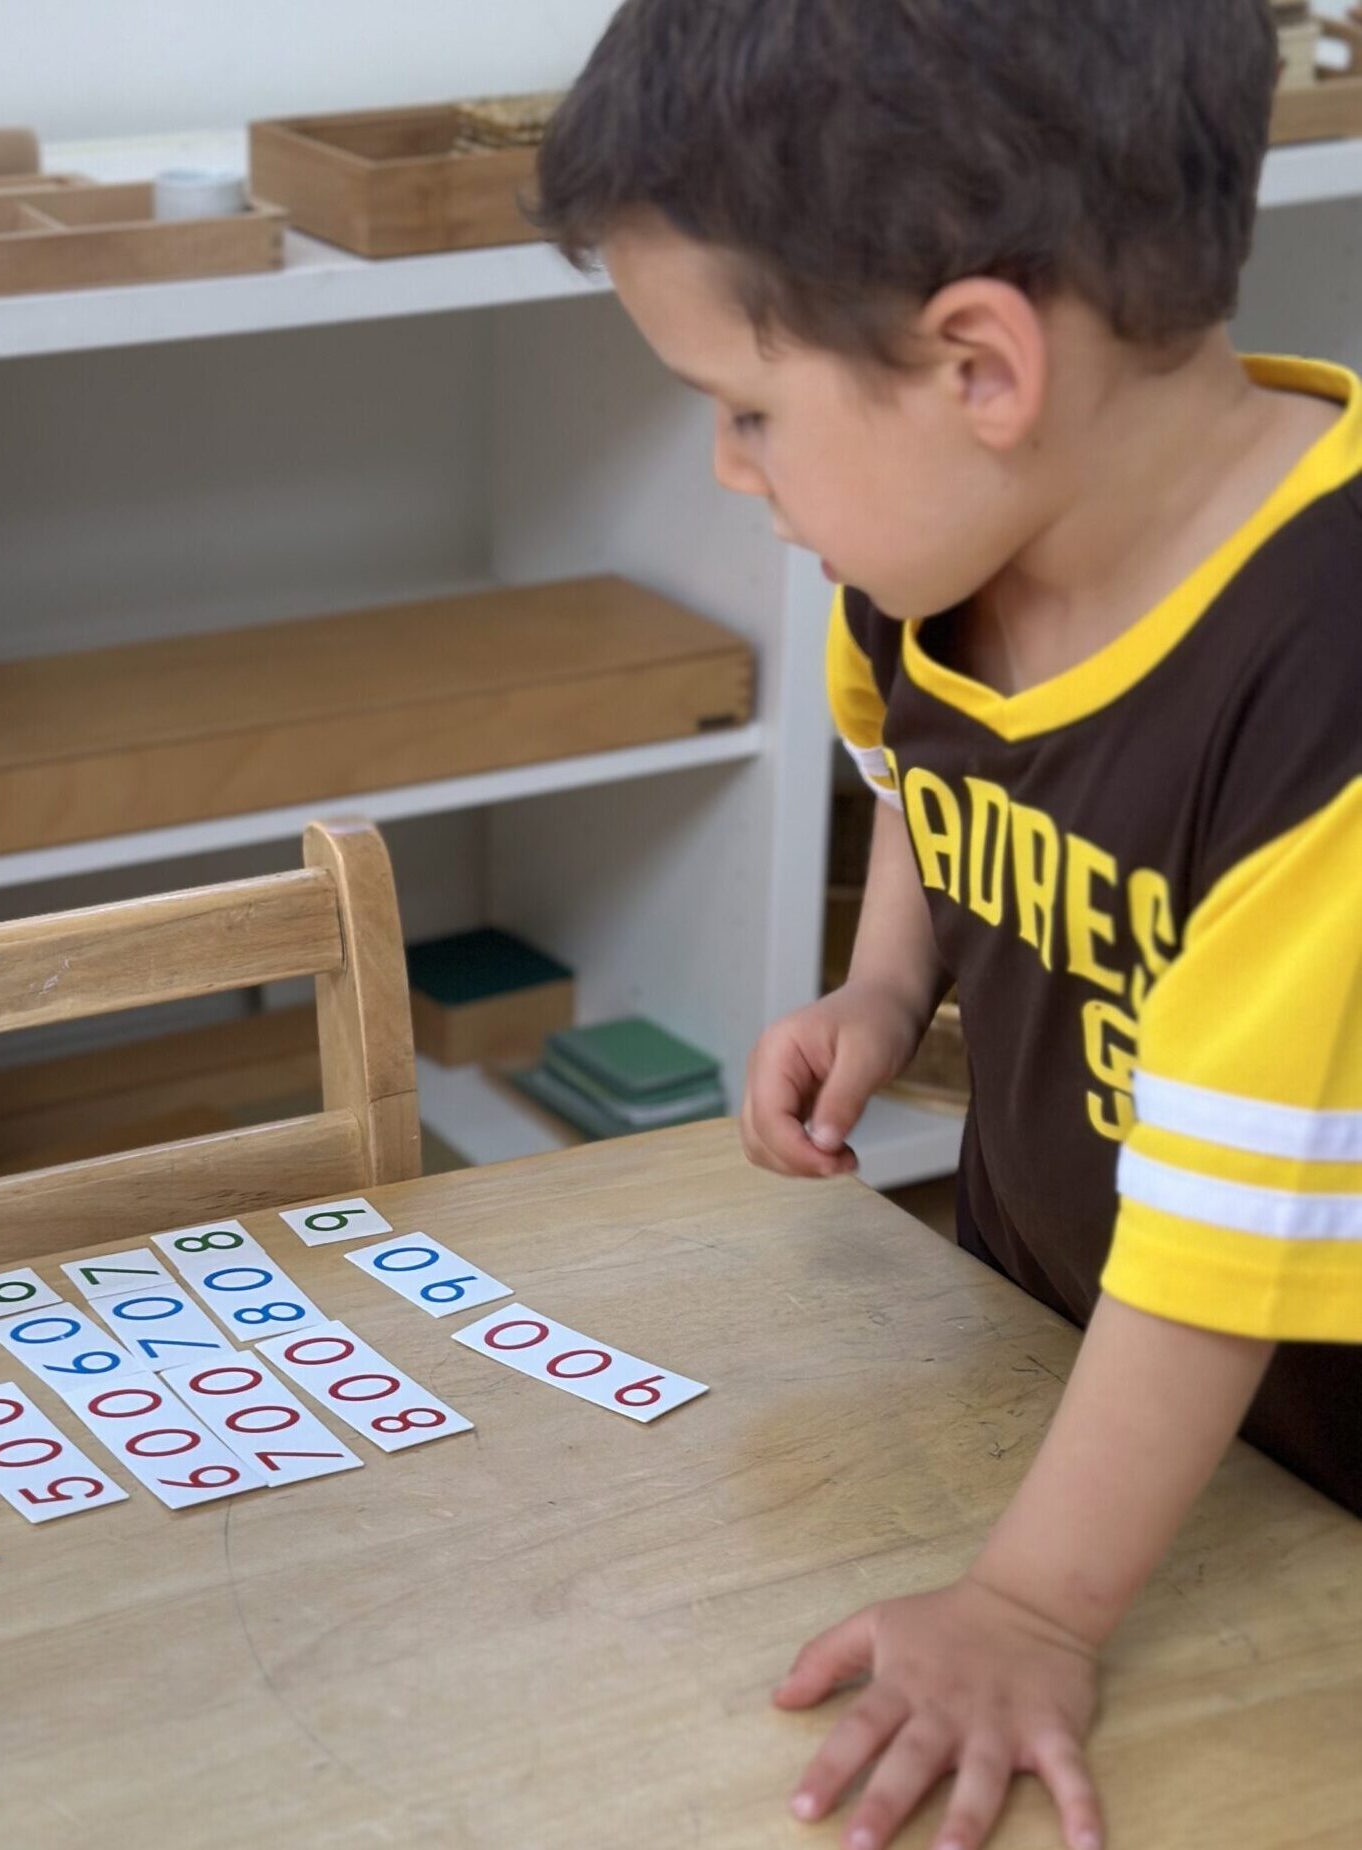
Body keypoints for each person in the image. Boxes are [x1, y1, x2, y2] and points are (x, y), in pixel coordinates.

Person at [533, 4, 1361, 1847]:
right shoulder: (934, 561)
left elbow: (1224, 1251)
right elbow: (927, 779)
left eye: (747, 413)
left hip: (1308, 1470)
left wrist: (1031, 1609)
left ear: (980, 363)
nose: (730, 470)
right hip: (1053, 1354)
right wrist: (886, 980)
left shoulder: (1326, 698)